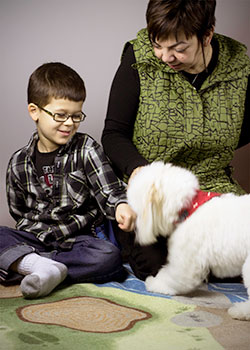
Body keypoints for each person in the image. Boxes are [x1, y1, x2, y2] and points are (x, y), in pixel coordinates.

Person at [101, 0, 250, 280]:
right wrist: (139, 170)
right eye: (158, 44)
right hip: (154, 194)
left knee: (237, 255)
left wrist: (210, 145)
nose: (165, 56)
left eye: (179, 49)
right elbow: (113, 134)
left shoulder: (238, 66)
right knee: (160, 268)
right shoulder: (139, 57)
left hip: (211, 188)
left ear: (207, 35)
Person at [0, 62, 136, 299]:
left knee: (108, 257)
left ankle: (28, 265)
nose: (69, 123)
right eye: (60, 115)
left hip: (79, 242)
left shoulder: (86, 148)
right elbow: (18, 212)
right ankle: (40, 265)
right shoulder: (18, 162)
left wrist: (122, 205)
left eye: (76, 116)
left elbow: (110, 191)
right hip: (36, 238)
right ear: (34, 111)